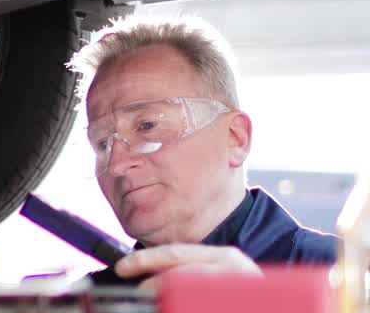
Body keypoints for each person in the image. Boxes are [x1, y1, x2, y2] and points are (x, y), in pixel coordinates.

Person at [68, 15, 338, 288]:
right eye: (102, 143)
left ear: (236, 138)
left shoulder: (346, 281)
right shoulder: (83, 312)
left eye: (148, 126)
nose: (116, 164)